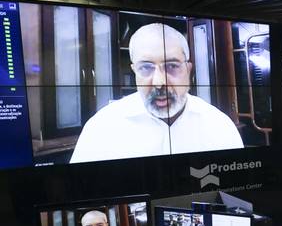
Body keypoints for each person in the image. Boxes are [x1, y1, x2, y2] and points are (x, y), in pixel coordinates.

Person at [70, 23, 243, 163]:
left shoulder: (219, 126)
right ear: (134, 72)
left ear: (188, 70)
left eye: (172, 66)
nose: (159, 82)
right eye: (146, 67)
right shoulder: (102, 128)